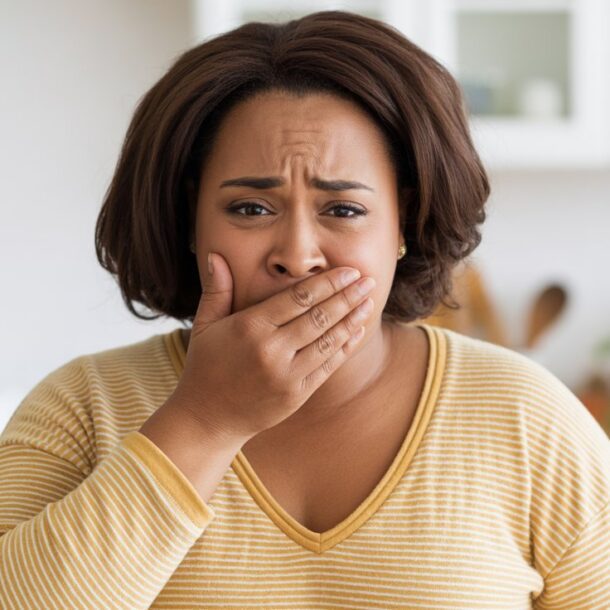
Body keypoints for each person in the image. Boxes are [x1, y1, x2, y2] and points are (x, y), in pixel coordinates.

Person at [1, 10, 608, 609]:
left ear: (404, 223)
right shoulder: (81, 409)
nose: (296, 255)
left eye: (342, 211)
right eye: (249, 209)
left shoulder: (530, 421)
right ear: (191, 219)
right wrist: (205, 420)